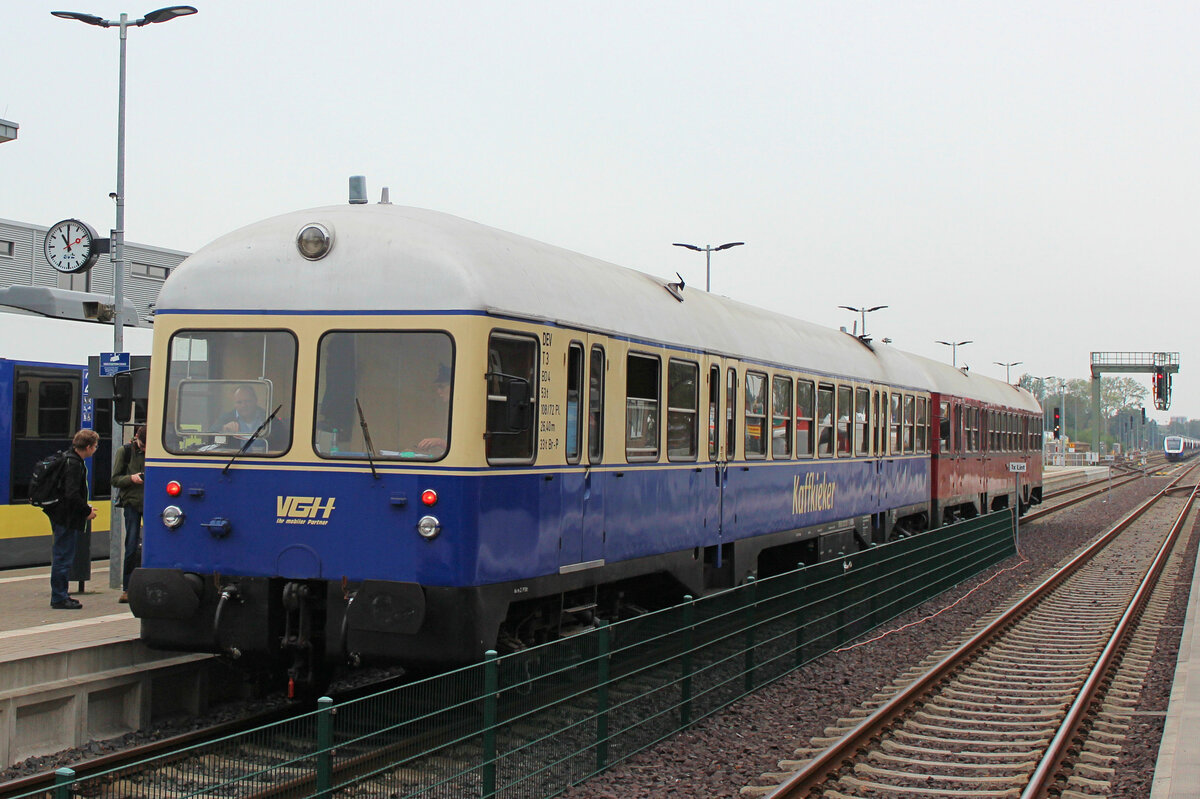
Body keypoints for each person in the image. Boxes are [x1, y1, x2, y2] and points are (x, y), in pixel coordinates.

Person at [45, 429, 99, 609]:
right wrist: (86, 511)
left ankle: (61, 594)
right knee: (63, 557)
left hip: (61, 514)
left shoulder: (68, 458)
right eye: (95, 446)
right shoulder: (75, 464)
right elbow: (72, 495)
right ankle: (59, 597)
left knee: (62, 555)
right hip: (66, 517)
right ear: (89, 446)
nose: (96, 449)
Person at [111, 425, 146, 603]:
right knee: (131, 546)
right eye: (142, 445)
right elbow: (115, 479)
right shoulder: (124, 452)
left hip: (150, 504)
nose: (144, 449)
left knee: (152, 545)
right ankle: (127, 588)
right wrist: (131, 478)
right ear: (136, 438)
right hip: (132, 503)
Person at [415, 364, 451, 455]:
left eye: (442, 386)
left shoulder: (465, 414)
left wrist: (439, 442)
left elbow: (462, 448)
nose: (438, 391)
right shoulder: (451, 410)